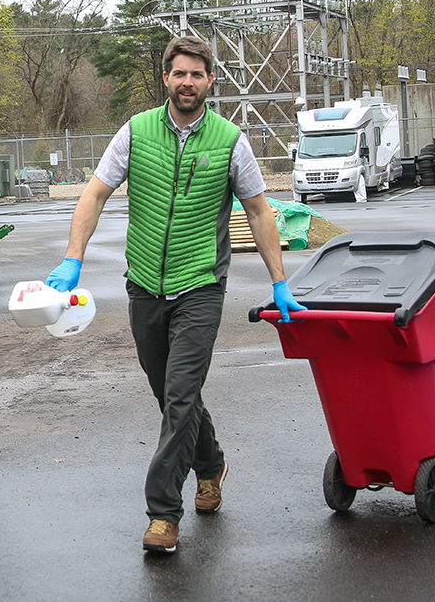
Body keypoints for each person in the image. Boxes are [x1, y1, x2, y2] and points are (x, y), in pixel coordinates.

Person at [44, 35, 305, 554]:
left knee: (180, 397)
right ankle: (211, 463)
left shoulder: (231, 140)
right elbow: (94, 192)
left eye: (198, 74)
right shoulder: (136, 132)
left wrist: (281, 282)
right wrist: (73, 258)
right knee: (169, 393)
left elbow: (258, 210)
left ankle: (163, 514)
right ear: (166, 78)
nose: (188, 82)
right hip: (144, 285)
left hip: (200, 287)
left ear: (211, 80)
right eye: (179, 73)